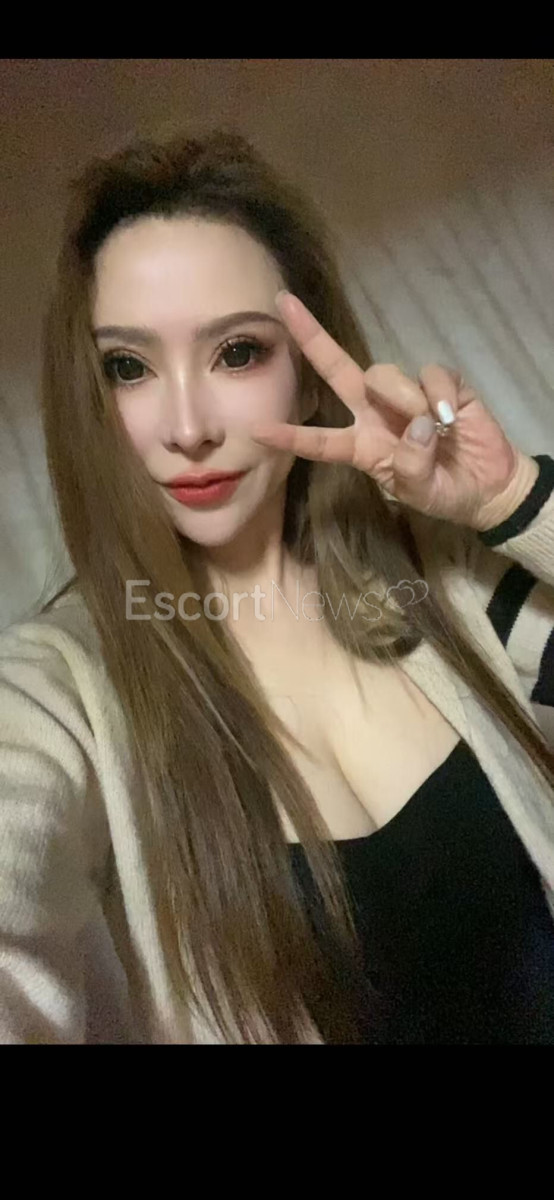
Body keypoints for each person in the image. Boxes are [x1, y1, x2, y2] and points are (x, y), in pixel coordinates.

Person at [1, 127, 553, 1045]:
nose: (186, 427)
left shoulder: (445, 581)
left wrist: (509, 499)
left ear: (306, 375)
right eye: (129, 367)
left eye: (237, 353)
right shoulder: (65, 691)